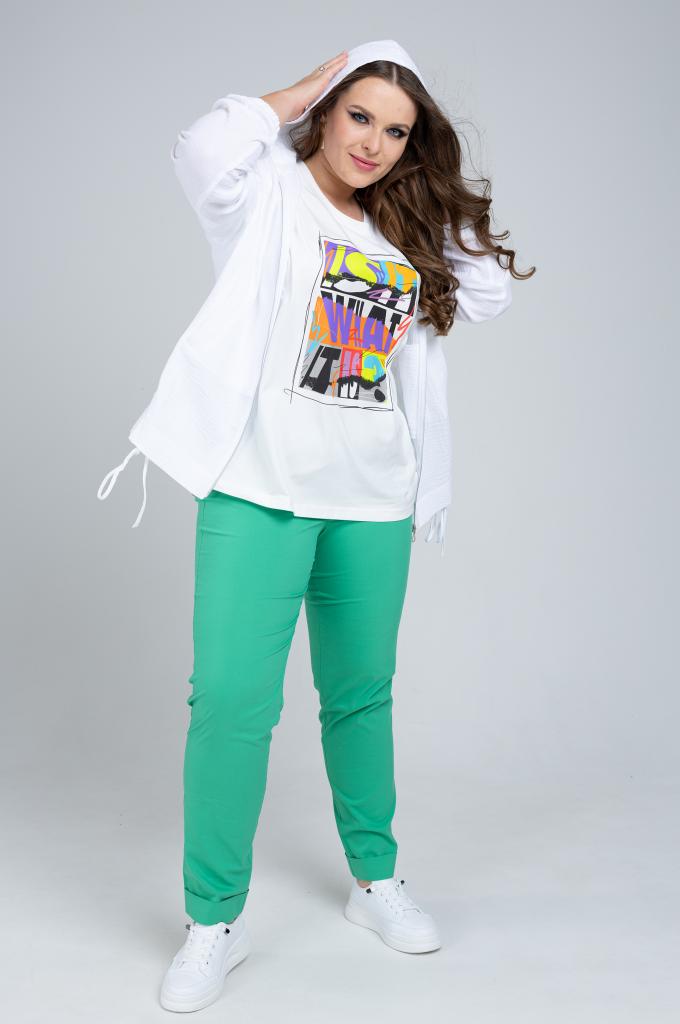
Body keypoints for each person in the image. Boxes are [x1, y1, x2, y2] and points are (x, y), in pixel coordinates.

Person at [97, 38, 532, 1014]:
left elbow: (490, 292)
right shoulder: (269, 197)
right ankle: (214, 921)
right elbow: (203, 150)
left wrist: (429, 192)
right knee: (230, 703)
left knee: (360, 696)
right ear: (327, 114)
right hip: (257, 489)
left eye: (396, 132)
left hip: (371, 499)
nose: (372, 142)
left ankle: (374, 880)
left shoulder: (403, 234)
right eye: (359, 116)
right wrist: (309, 85)